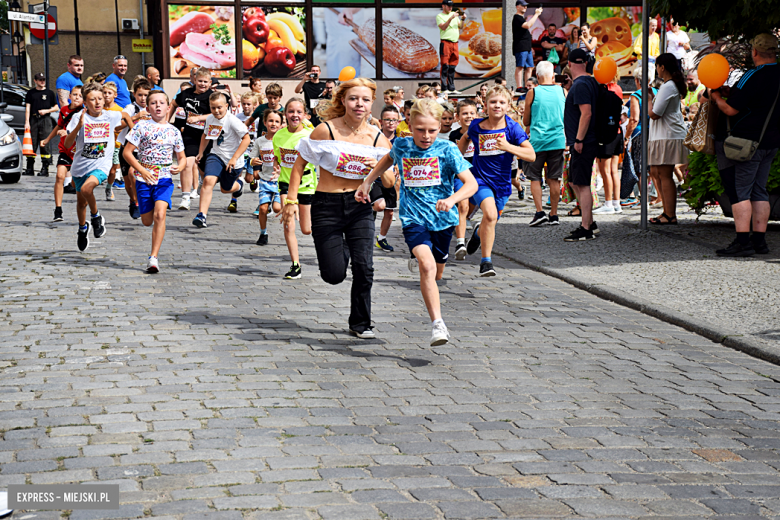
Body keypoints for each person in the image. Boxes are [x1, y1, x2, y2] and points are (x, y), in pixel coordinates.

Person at [359, 98, 477, 345]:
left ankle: (429, 260)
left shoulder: (447, 150)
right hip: (413, 217)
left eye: (432, 130)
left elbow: (471, 184)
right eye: (420, 130)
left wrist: (452, 199)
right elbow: (387, 159)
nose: (426, 136)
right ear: (409, 125)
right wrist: (368, 181)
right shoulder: (402, 145)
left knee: (438, 269)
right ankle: (438, 325)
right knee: (427, 266)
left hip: (443, 220)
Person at [281, 79, 391, 338]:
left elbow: (389, 181)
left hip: (359, 206)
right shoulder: (325, 131)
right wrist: (291, 201)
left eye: (365, 99)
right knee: (333, 275)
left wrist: (373, 171)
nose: (359, 104)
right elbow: (299, 166)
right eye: (353, 98)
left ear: (371, 103)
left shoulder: (378, 138)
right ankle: (342, 246)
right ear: (343, 100)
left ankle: (361, 323)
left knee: (364, 266)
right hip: (326, 205)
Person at [708, 33, 780, 256]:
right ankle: (759, 242)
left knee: (740, 192)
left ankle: (742, 243)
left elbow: (731, 109)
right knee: (760, 191)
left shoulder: (752, 75)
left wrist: (717, 98)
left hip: (744, 144)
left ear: (755, 52)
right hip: (770, 142)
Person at [459, 85, 536, 275]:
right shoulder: (477, 126)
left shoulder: (512, 128)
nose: (497, 106)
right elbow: (464, 139)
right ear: (485, 105)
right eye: (493, 102)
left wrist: (509, 147)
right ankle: (486, 262)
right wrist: (458, 163)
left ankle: (478, 233)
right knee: (491, 215)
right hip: (480, 180)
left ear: (508, 106)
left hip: (502, 184)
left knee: (491, 220)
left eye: (502, 102)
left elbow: (531, 155)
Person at [122, 91, 186, 272]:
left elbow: (181, 158)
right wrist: (141, 170)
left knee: (160, 215)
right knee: (146, 221)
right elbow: (127, 153)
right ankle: (137, 203)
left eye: (161, 103)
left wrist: (180, 167)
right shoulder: (141, 127)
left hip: (164, 179)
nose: (158, 106)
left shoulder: (173, 131)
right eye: (153, 103)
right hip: (143, 178)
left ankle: (153, 258)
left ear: (168, 107)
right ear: (148, 107)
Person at [64, 82, 122, 252]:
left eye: (100, 98)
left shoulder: (110, 116)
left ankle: (96, 217)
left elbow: (126, 117)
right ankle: (82, 229)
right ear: (85, 102)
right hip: (80, 166)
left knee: (87, 189)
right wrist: (78, 127)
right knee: (81, 203)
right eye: (92, 99)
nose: (97, 102)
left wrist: (138, 118)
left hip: (102, 164)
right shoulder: (78, 117)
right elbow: (68, 144)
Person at [192, 92, 251, 227]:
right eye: (213, 108)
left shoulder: (233, 121)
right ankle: (202, 216)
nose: (216, 111)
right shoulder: (210, 119)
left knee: (225, 189)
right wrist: (201, 152)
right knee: (208, 180)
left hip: (233, 160)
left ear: (226, 106)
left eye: (219, 107)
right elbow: (205, 135)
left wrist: (234, 158)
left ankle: (239, 185)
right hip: (216, 155)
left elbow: (246, 139)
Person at [274, 98, 316, 280]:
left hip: (306, 185)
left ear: (305, 115)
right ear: (285, 114)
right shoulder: (278, 136)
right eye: (291, 111)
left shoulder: (311, 134)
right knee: (288, 224)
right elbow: (278, 159)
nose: (295, 115)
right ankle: (295, 265)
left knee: (307, 229)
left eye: (299, 112)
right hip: (285, 184)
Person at [647, 53, 688, 225]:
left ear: (662, 67)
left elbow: (654, 114)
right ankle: (667, 212)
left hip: (667, 135)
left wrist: (648, 99)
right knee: (659, 173)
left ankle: (669, 214)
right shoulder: (669, 85)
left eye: (657, 66)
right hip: (664, 135)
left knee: (664, 175)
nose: (656, 70)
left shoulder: (668, 86)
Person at [523, 61, 565, 227]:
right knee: (554, 178)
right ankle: (554, 214)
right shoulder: (562, 91)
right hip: (558, 140)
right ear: (552, 75)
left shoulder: (533, 92)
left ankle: (539, 212)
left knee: (534, 177)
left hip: (537, 141)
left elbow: (526, 120)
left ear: (538, 76)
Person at [563, 48, 600, 241]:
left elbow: (586, 114)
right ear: (586, 62)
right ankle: (589, 221)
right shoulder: (589, 82)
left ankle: (586, 228)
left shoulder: (582, 85)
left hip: (583, 142)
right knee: (574, 181)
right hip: (584, 140)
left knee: (582, 183)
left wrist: (578, 140)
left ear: (569, 64)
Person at [170, 67, 215, 210]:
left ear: (210, 83)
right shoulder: (186, 94)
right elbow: (173, 104)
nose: (202, 84)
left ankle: (203, 185)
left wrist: (199, 118)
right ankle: (185, 197)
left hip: (208, 136)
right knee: (188, 163)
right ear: (194, 80)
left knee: (205, 171)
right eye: (200, 81)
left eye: (205, 82)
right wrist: (166, 121)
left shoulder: (212, 96)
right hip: (189, 134)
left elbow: (218, 114)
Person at [42, 85, 83, 222]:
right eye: (75, 94)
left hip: (79, 152)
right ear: (69, 97)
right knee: (60, 176)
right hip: (65, 150)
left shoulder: (85, 113)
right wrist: (47, 139)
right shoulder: (64, 110)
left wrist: (69, 132)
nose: (77, 97)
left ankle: (72, 187)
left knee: (75, 183)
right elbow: (59, 126)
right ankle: (58, 210)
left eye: (81, 96)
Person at [114, 78, 152, 214]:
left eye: (146, 95)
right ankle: (132, 200)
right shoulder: (130, 108)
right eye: (140, 95)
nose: (143, 98)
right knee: (128, 182)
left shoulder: (152, 108)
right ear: (134, 94)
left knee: (133, 173)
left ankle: (138, 202)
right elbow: (117, 127)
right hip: (126, 149)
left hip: (141, 151)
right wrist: (134, 117)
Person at [449, 98, 478, 259]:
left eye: (472, 113)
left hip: (479, 174)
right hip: (461, 175)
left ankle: (460, 224)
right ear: (458, 117)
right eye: (465, 113)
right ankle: (460, 242)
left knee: (469, 209)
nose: (469, 116)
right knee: (463, 205)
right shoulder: (454, 135)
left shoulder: (482, 131)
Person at [250, 109, 283, 246]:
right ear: (264, 123)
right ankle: (263, 233)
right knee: (263, 209)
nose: (273, 124)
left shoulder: (283, 140)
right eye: (270, 121)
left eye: (277, 121)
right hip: (265, 179)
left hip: (280, 181)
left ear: (281, 124)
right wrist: (254, 164)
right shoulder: (260, 141)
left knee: (276, 208)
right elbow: (253, 157)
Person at [594, 72, 625, 215]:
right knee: (613, 171)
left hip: (606, 133)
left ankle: (608, 203)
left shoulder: (605, 91)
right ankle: (616, 203)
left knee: (605, 171)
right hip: (617, 131)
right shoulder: (618, 89)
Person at [375, 105, 401, 252]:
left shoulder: (401, 141)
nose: (391, 123)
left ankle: (382, 238)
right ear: (381, 121)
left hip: (391, 181)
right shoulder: (375, 137)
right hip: (375, 180)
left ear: (398, 122)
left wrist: (399, 165)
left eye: (394, 120)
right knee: (379, 206)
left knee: (389, 212)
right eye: (387, 120)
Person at [24, 73, 58, 177]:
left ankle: (45, 169)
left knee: (45, 144)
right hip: (34, 119)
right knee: (32, 144)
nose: (42, 81)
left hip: (45, 120)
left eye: (43, 79)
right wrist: (27, 122)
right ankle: (30, 168)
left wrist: (47, 110)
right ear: (35, 81)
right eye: (40, 80)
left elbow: (56, 107)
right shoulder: (31, 93)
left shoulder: (50, 93)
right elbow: (28, 108)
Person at [437, 0, 466, 94]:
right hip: (445, 42)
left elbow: (460, 27)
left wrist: (463, 19)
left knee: (453, 66)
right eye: (448, 6)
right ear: (443, 6)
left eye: (451, 6)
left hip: (455, 43)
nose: (450, 8)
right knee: (445, 65)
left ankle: (451, 88)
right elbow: (443, 27)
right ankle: (444, 88)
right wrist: (450, 18)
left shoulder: (454, 14)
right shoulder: (439, 16)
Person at [513, 0, 543, 89]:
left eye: (526, 6)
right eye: (523, 6)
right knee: (520, 66)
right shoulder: (517, 18)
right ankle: (519, 86)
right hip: (521, 46)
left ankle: (527, 86)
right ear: (517, 6)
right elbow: (528, 25)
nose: (525, 7)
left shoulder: (521, 17)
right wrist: (536, 14)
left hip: (527, 46)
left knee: (530, 67)